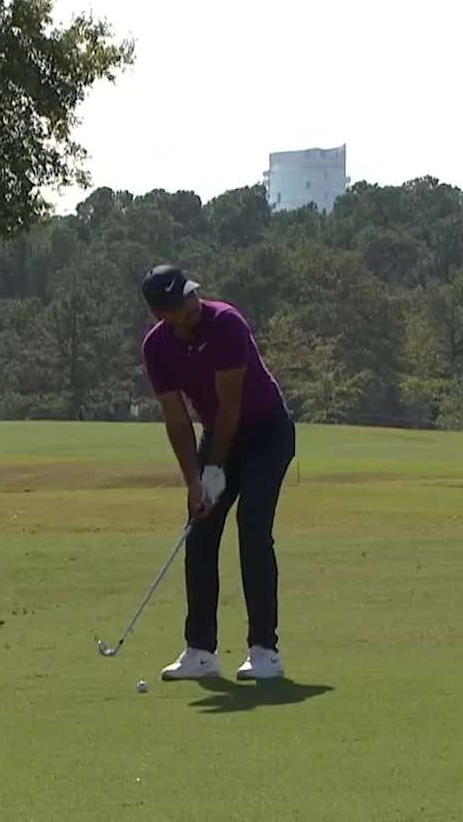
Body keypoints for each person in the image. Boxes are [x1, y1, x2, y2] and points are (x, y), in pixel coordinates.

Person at [139, 264, 297, 682]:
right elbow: (176, 419)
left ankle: (265, 650)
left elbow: (232, 408)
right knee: (201, 531)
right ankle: (201, 651)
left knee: (253, 528)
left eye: (190, 296)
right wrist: (195, 482)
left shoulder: (227, 323)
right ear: (161, 315)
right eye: (179, 305)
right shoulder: (156, 348)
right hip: (218, 434)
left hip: (266, 431)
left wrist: (214, 470)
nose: (191, 306)